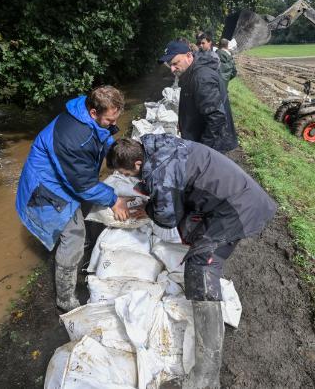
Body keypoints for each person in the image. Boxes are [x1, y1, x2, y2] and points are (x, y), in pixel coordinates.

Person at [107, 135, 277, 389]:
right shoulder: (156, 145)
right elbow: (171, 191)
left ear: (138, 163)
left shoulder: (160, 172)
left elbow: (167, 218)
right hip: (228, 197)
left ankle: (206, 376)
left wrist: (152, 208)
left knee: (201, 265)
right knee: (195, 238)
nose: (128, 178)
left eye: (126, 173)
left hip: (239, 208)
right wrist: (154, 199)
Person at [15, 85, 131, 311]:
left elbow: (102, 137)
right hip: (46, 187)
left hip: (66, 177)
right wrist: (114, 200)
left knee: (85, 208)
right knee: (74, 235)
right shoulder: (74, 138)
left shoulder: (87, 111)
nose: (112, 123)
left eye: (116, 118)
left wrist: (118, 152)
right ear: (93, 113)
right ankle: (66, 298)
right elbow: (83, 185)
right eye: (108, 119)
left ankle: (80, 249)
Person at [158, 39, 238, 153]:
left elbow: (216, 118)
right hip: (200, 139)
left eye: (175, 63)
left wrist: (201, 151)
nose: (172, 69)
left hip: (212, 147)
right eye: (170, 65)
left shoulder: (201, 78)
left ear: (189, 56)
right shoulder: (189, 72)